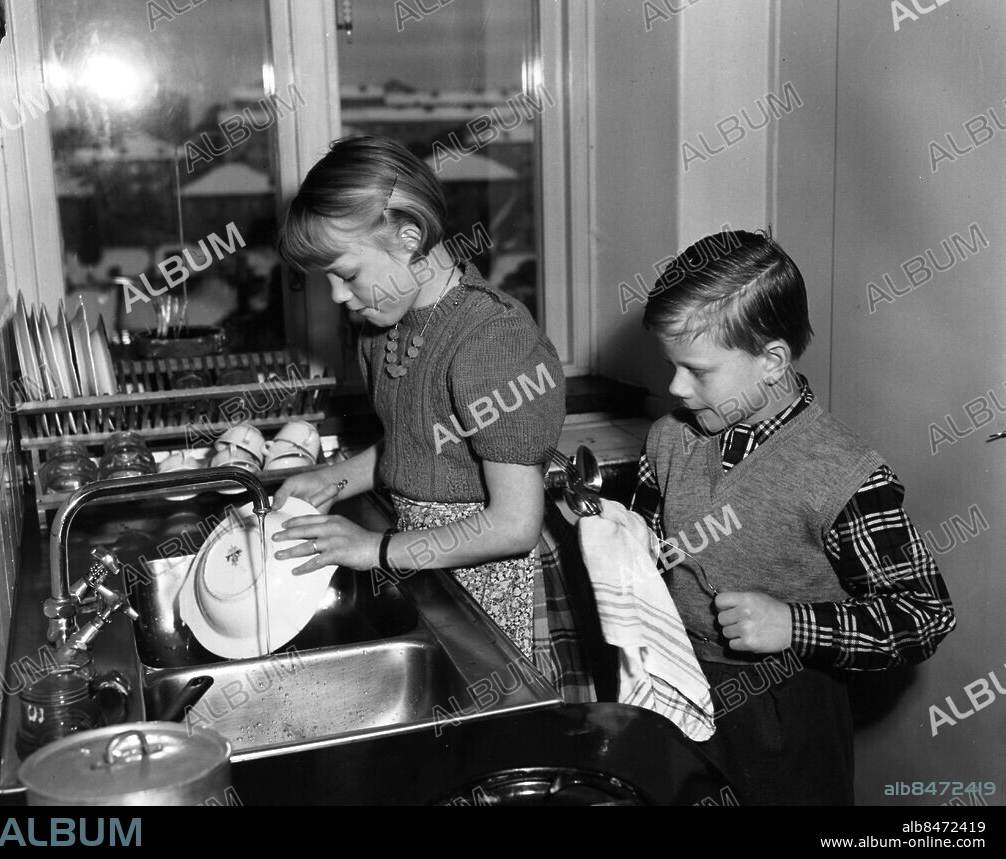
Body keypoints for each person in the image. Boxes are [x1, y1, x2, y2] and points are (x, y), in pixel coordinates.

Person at [631, 228, 956, 805]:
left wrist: (794, 625)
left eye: (697, 370)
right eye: (671, 365)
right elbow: (650, 550)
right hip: (675, 685)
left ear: (772, 361)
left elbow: (924, 615)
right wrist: (620, 539)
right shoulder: (668, 440)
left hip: (788, 710)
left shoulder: (844, 474)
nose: (675, 387)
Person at [271, 134, 595, 698]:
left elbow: (513, 525)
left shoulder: (492, 342)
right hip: (429, 565)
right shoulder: (382, 331)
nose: (338, 296)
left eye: (346, 273)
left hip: (496, 584)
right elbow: (419, 441)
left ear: (409, 237)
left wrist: (373, 550)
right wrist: (333, 478)